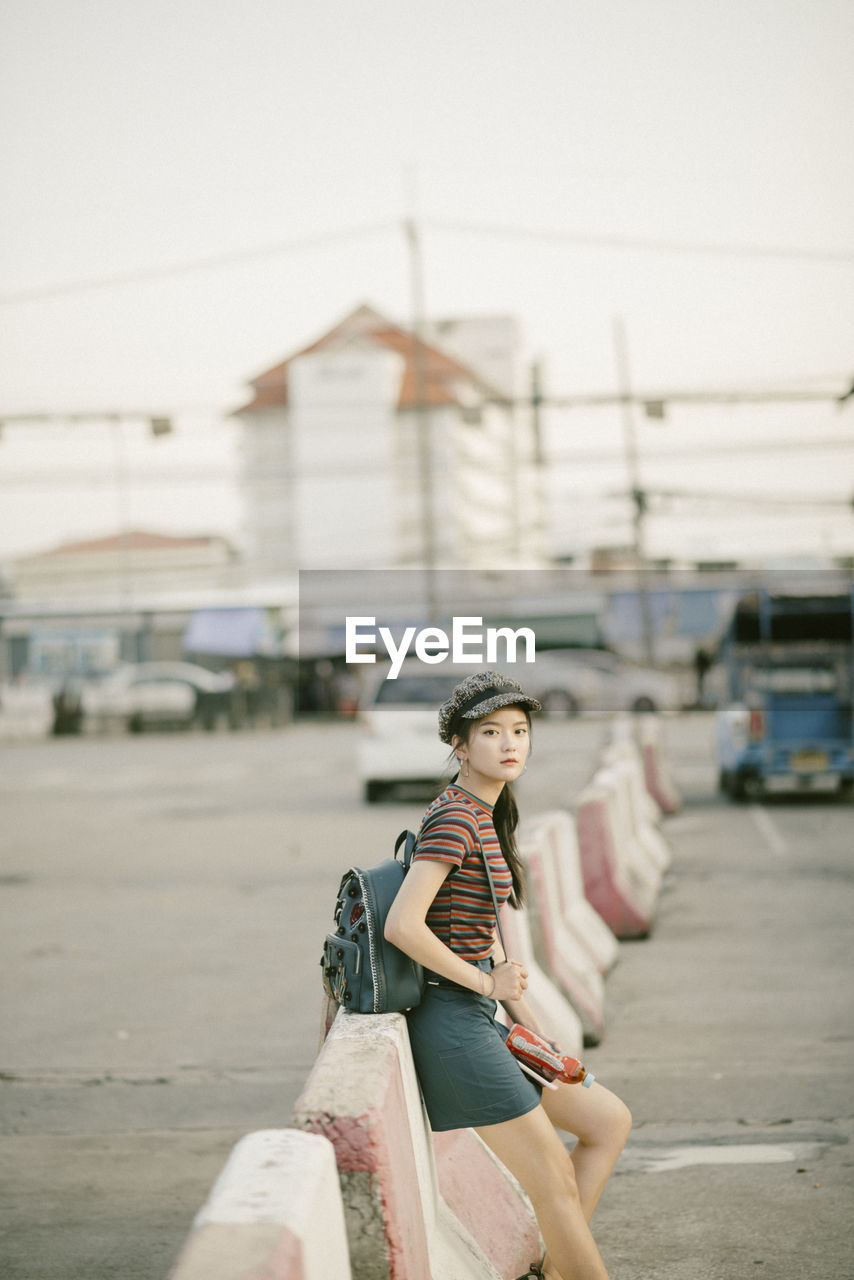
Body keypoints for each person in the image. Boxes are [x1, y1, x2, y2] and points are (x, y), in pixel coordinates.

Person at [385, 671, 631, 1280]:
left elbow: (482, 940)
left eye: (519, 730)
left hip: (480, 1021)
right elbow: (403, 925)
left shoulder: (487, 814)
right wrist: (485, 985)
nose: (509, 743)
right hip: (452, 1029)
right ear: (461, 748)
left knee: (607, 1123)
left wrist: (530, 1028)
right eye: (490, 732)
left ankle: (557, 1265)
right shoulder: (455, 819)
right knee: (552, 1183)